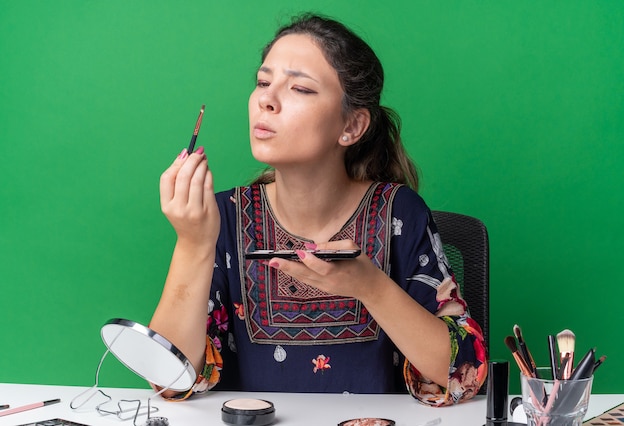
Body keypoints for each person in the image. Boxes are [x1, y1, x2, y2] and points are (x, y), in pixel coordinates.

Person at [151, 13, 486, 407]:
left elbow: (462, 375)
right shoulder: (222, 215)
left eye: (299, 88)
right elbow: (168, 380)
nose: (266, 100)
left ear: (352, 126)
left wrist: (370, 286)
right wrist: (192, 244)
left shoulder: (399, 212)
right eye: (262, 82)